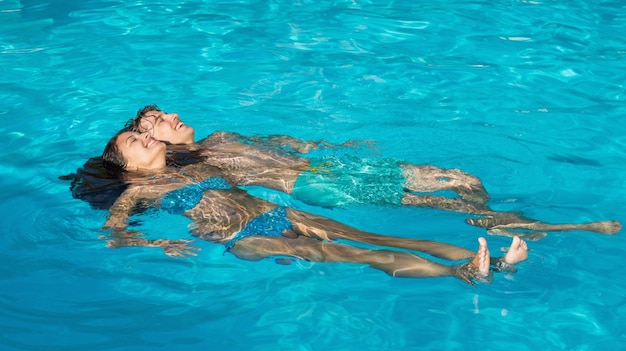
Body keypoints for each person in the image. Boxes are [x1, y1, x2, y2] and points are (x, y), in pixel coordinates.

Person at [99, 127, 529, 286]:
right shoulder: (136, 194)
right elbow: (113, 236)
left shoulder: (197, 166)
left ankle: (491, 264)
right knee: (360, 254)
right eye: (137, 141)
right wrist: (156, 245)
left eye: (141, 133)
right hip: (246, 237)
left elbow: (258, 168)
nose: (147, 137)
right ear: (128, 165)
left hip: (278, 215)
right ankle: (463, 274)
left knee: (383, 238)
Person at [128, 105, 622, 239]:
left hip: (332, 164)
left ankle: (492, 218)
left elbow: (279, 145)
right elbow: (158, 190)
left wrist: (327, 146)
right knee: (441, 198)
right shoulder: (195, 163)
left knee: (460, 176)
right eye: (156, 125)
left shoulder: (217, 138)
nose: (169, 119)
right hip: (317, 183)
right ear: (157, 146)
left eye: (163, 115)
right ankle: (527, 225)